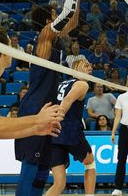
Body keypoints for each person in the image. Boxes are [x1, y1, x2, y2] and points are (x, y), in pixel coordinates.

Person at [15, 0, 81, 196]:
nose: (56, 20)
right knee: (32, 169)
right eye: (53, 17)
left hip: (46, 109)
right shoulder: (43, 36)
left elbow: (72, 21)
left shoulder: (51, 43)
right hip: (35, 109)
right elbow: (65, 18)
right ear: (47, 20)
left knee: (41, 173)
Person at [0, 29, 64, 196]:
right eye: (10, 45)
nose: (14, 49)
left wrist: (37, 129)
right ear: (1, 51)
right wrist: (37, 119)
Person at [46, 59, 96, 196]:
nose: (90, 67)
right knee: (90, 164)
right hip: (69, 131)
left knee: (59, 183)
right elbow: (67, 101)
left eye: (90, 64)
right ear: (75, 68)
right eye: (85, 65)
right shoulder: (82, 83)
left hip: (52, 133)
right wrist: (59, 117)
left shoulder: (60, 84)